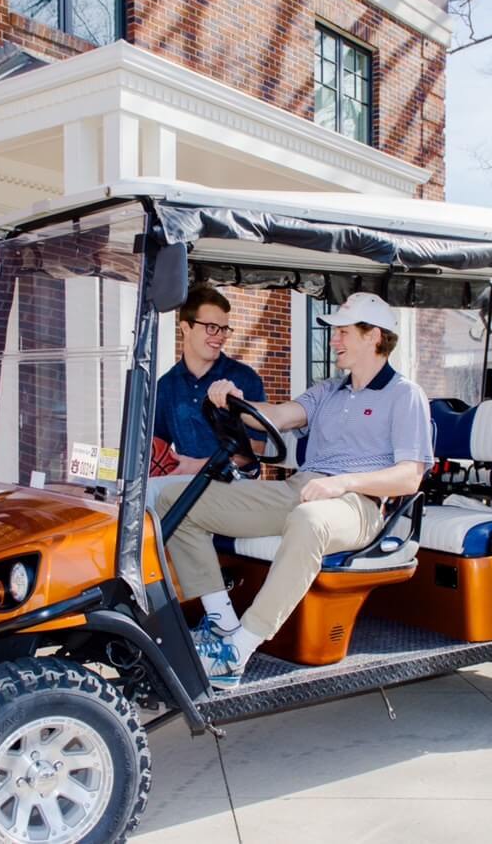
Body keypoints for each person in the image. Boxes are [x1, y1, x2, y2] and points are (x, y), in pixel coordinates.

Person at [156, 292, 433, 689]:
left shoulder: (405, 394)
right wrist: (237, 400)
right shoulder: (328, 391)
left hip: (361, 503)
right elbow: (280, 416)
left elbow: (410, 476)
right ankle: (221, 624)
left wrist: (342, 482)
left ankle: (240, 648)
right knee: (176, 499)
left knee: (309, 519)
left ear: (374, 336)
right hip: (303, 489)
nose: (334, 340)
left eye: (343, 333)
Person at [147, 285, 265, 506]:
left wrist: (199, 465)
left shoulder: (245, 379)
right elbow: (156, 446)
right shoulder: (166, 386)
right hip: (187, 483)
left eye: (224, 329)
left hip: (238, 486)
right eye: (212, 328)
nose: (220, 336)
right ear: (186, 327)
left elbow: (256, 450)